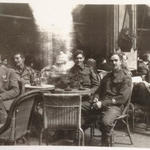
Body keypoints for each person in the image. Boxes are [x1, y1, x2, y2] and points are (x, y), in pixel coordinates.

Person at [92, 52, 132, 146]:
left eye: (116, 60)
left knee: (105, 122)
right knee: (82, 110)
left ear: (121, 62)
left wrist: (103, 103)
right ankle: (77, 140)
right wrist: (96, 98)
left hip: (116, 106)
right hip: (102, 103)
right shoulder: (107, 76)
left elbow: (122, 98)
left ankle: (105, 145)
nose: (113, 63)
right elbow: (98, 90)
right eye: (111, 61)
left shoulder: (126, 77)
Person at [0, 54, 20, 124]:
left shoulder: (10, 72)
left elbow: (15, 91)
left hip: (4, 103)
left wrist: (1, 96)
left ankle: (3, 129)